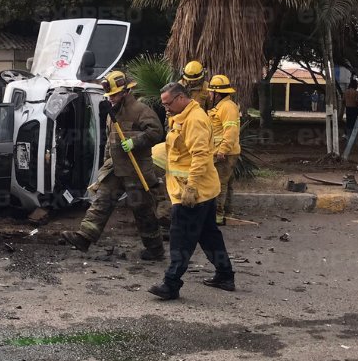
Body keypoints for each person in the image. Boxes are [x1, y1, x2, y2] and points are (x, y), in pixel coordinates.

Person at [61, 71, 166, 260]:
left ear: (126, 92)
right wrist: (106, 161)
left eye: (115, 95)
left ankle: (155, 249)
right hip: (115, 168)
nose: (111, 99)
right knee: (101, 202)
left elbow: (156, 132)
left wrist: (135, 141)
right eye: (110, 96)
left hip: (136, 170)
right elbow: (110, 142)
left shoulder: (141, 110)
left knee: (142, 210)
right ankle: (84, 238)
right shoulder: (111, 113)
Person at [148, 82, 234, 300]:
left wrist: (192, 187)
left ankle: (171, 284)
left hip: (193, 193)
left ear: (180, 98)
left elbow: (201, 156)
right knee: (209, 236)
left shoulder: (194, 120)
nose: (165, 107)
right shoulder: (182, 116)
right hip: (200, 190)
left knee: (180, 238)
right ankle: (225, 275)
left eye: (167, 103)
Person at [206, 75, 241, 226]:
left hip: (224, 153)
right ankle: (227, 212)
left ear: (217, 94)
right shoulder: (222, 106)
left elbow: (231, 130)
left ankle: (217, 216)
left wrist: (223, 150)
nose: (209, 95)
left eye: (211, 92)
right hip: (224, 152)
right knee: (226, 183)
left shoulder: (227, 107)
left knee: (219, 184)